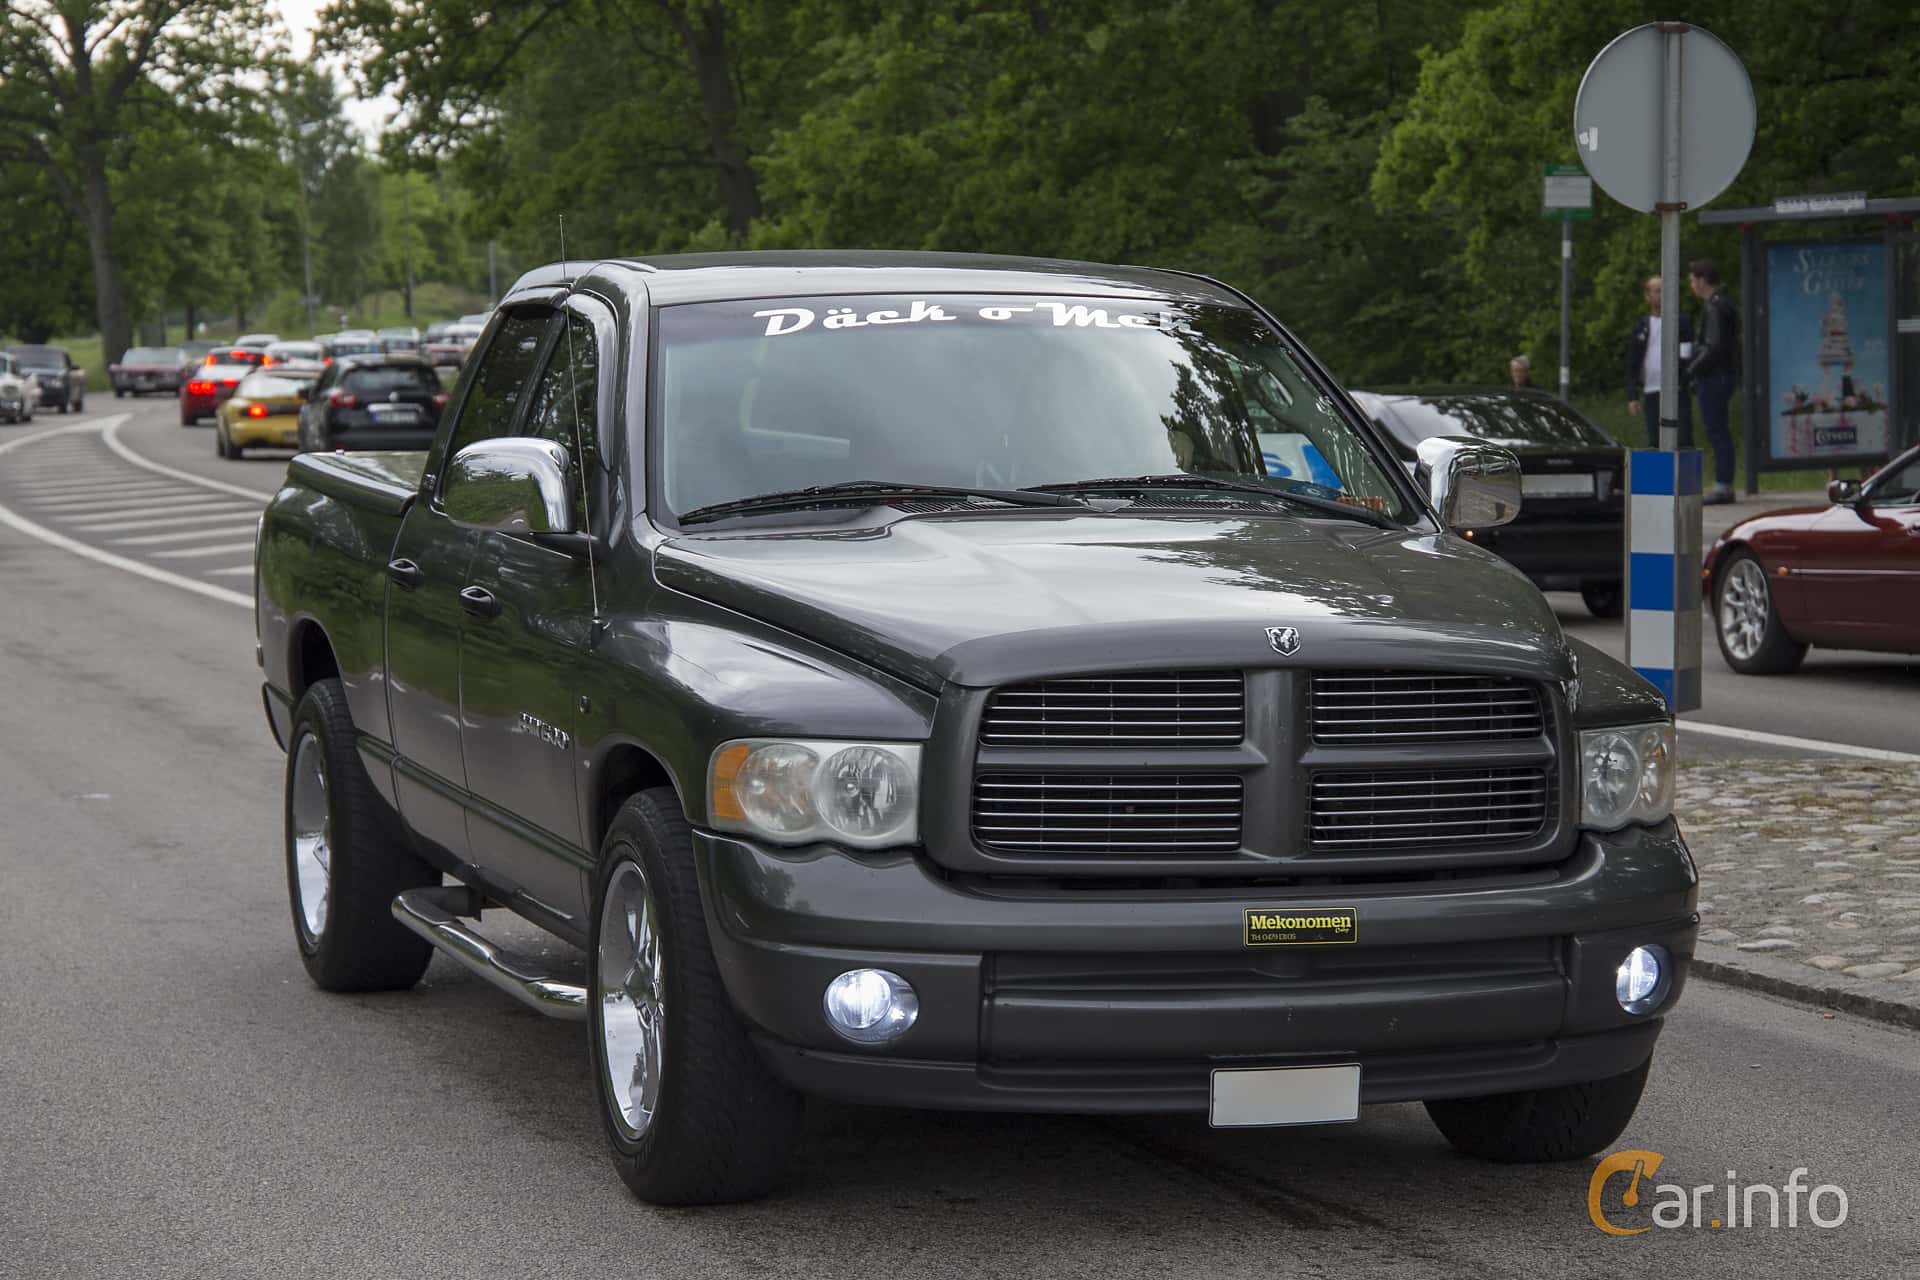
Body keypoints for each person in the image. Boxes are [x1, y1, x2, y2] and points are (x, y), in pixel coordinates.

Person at [1687, 258, 1740, 504]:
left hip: (1715, 376)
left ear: (1702, 280)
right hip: (1723, 374)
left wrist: (1692, 370)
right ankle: (1724, 483)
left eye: (1692, 280)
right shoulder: (1722, 304)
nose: (1691, 286)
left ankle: (1723, 485)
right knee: (1718, 429)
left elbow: (1714, 345)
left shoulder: (1714, 307)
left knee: (1717, 430)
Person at [1625, 275, 1695, 448]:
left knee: (1682, 439)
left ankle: (1682, 474)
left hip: (1676, 390)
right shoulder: (1642, 326)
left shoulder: (1681, 322)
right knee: (1655, 442)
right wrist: (1632, 396)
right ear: (1647, 296)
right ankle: (1658, 475)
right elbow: (1632, 362)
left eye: (1664, 290)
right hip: (1652, 391)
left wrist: (1686, 379)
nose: (1661, 295)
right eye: (1657, 291)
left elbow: (1688, 354)